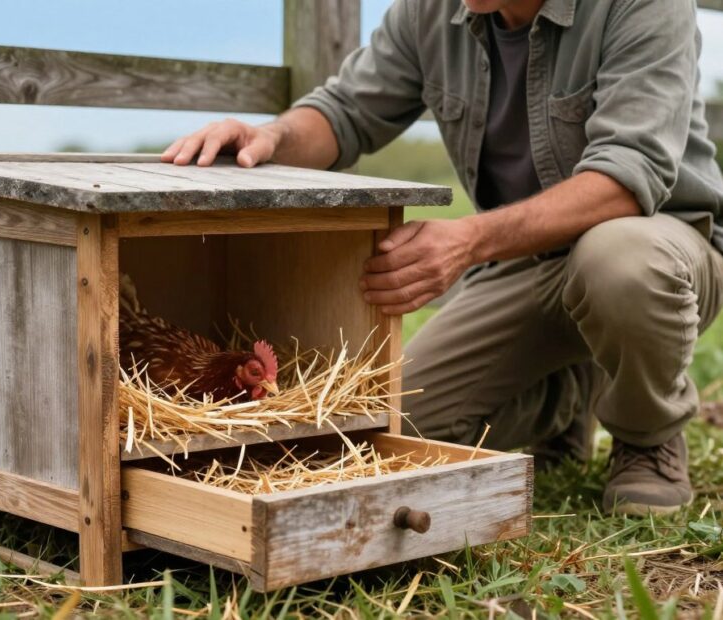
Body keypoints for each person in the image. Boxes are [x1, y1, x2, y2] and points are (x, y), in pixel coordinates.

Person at [161, 0, 723, 516]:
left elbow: (626, 179)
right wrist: (268, 138)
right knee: (394, 425)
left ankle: (648, 440)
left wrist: (467, 240)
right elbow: (344, 113)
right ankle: (566, 394)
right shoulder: (429, 13)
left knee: (618, 261)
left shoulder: (645, 5)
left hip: (657, 247)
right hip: (523, 264)